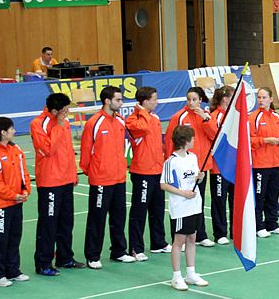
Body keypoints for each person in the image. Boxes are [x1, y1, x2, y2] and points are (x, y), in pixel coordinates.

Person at [81, 86, 135, 269]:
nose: (121, 103)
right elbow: (86, 152)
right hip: (101, 180)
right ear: (107, 101)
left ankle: (119, 251)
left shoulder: (120, 121)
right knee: (97, 218)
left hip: (119, 178)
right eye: (118, 100)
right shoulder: (93, 123)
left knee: (119, 217)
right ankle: (93, 255)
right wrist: (94, 172)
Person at [31, 93, 84, 276]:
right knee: (48, 224)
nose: (68, 113)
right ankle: (43, 263)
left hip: (66, 180)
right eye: (64, 110)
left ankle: (65, 257)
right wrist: (58, 126)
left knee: (66, 222)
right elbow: (47, 150)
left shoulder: (64, 122)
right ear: (55, 111)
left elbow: (67, 150)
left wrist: (72, 174)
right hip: (50, 182)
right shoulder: (39, 124)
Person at [164, 87, 216, 247]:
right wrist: (170, 161)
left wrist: (205, 119)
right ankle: (180, 238)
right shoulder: (178, 117)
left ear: (201, 100)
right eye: (189, 99)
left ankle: (200, 235)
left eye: (194, 99)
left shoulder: (206, 116)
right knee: (182, 200)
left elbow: (214, 135)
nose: (191, 102)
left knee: (197, 201)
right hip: (181, 168)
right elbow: (169, 141)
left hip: (200, 166)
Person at [0, 117, 30, 287]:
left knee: (14, 237)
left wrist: (25, 191)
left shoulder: (15, 148)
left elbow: (24, 172)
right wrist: (12, 195)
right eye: (11, 129)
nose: (14, 131)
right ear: (3, 132)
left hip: (16, 202)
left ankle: (13, 270)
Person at [161, 126, 209, 291]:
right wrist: (182, 193)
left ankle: (191, 273)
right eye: (193, 138)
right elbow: (163, 184)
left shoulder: (193, 157)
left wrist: (200, 178)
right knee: (179, 241)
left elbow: (194, 179)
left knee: (192, 238)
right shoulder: (171, 161)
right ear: (185, 141)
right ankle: (176, 276)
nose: (195, 141)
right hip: (180, 207)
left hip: (194, 205)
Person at [126, 87, 170, 261]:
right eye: (153, 99)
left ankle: (158, 243)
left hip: (157, 170)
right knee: (139, 211)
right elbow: (142, 129)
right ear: (144, 102)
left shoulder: (155, 118)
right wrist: (142, 112)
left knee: (158, 209)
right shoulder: (133, 119)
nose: (156, 102)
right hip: (142, 171)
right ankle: (136, 248)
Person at [250, 87, 279, 238]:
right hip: (260, 164)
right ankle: (258, 226)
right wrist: (265, 140)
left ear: (271, 99)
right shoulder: (253, 118)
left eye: (264, 97)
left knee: (273, 194)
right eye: (259, 97)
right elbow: (249, 139)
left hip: (276, 162)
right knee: (260, 197)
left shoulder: (277, 116)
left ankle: (272, 224)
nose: (261, 100)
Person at [207, 86, 235, 244]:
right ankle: (220, 233)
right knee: (219, 200)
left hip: (233, 166)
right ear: (225, 99)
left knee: (234, 200)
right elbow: (217, 139)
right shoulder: (215, 116)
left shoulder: (234, 116)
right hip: (219, 167)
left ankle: (235, 231)